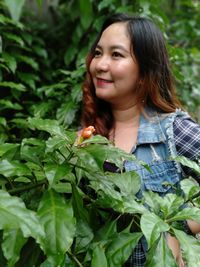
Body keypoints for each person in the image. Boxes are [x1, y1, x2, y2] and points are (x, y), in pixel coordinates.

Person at [80, 13, 200, 266]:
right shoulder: (90, 135)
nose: (100, 64)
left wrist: (179, 228)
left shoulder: (173, 130)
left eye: (116, 55)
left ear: (145, 71)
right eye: (99, 53)